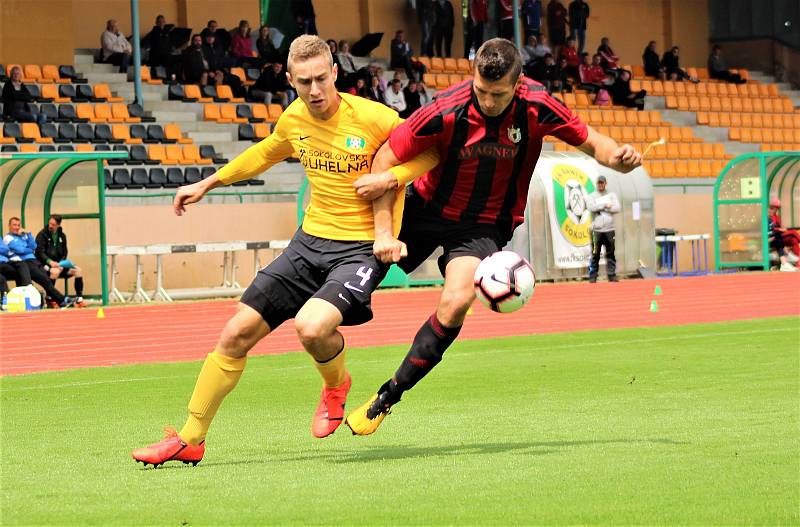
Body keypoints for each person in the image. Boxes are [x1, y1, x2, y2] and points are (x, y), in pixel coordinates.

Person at [130, 35, 437, 467]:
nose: (314, 91)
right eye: (304, 82)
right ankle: (190, 437)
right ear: (290, 79)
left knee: (312, 328)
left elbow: (432, 152)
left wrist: (392, 178)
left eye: (320, 79)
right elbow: (264, 154)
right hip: (307, 243)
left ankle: (335, 385)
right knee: (235, 333)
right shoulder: (294, 118)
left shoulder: (375, 117)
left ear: (334, 72)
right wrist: (206, 183)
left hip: (358, 250)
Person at [344, 38, 642, 435]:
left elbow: (591, 141)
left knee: (456, 302)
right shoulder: (445, 108)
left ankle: (387, 397)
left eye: (497, 94)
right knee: (349, 283)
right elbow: (386, 157)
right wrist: (383, 230)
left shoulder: (537, 105)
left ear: (518, 83)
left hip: (483, 225)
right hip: (424, 209)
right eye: (481, 91)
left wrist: (616, 158)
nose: (487, 101)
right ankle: (324, 352)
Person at [4, 217, 72, 308]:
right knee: (44, 281)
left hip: (34, 261)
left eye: (18, 225)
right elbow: (21, 250)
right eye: (14, 225)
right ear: (9, 226)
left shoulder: (23, 235)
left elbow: (34, 246)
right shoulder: (8, 238)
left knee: (47, 281)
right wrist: (29, 249)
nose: (16, 227)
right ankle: (62, 300)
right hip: (24, 262)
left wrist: (28, 234)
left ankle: (58, 301)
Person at [34, 214, 86, 306]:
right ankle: (50, 298)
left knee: (78, 271)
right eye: (50, 223)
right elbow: (40, 253)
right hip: (44, 265)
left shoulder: (62, 236)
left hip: (59, 265)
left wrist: (61, 263)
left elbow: (65, 252)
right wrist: (50, 262)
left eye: (53, 224)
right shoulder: (42, 235)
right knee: (55, 272)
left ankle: (79, 298)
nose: (50, 226)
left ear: (58, 225)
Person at [587, 175, 620, 282]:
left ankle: (611, 275)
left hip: (609, 230)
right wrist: (605, 205)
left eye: (602, 183)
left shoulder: (612, 195)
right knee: (595, 253)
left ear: (606, 183)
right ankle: (593, 276)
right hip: (596, 231)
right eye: (599, 183)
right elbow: (591, 207)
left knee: (610, 253)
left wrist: (601, 207)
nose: (600, 185)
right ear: (597, 184)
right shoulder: (592, 195)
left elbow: (617, 208)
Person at [768, 198, 800, 264]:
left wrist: (781, 229)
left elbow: (779, 227)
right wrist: (780, 229)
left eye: (777, 208)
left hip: (779, 235)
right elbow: (771, 229)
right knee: (793, 232)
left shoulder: (777, 217)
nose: (775, 210)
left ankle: (798, 263)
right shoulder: (768, 217)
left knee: (794, 240)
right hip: (775, 235)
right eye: (772, 208)